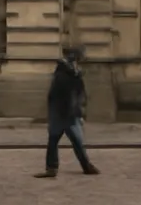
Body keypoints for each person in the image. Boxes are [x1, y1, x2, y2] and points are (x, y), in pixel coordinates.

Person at [34, 46, 100, 177]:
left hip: (66, 113)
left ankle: (53, 168)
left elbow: (72, 95)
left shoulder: (69, 73)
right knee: (69, 141)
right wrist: (76, 112)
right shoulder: (67, 75)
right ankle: (84, 167)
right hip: (65, 113)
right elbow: (66, 96)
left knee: (63, 141)